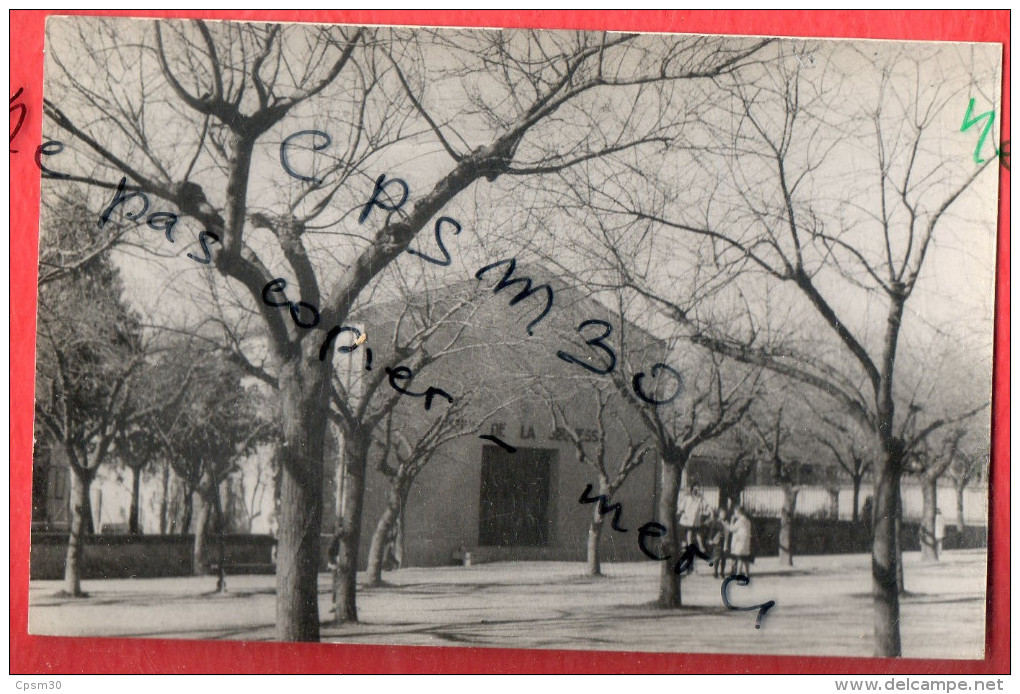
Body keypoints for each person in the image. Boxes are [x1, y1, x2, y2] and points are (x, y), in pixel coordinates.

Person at [677, 483, 710, 551]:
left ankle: (701, 546)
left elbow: (705, 504)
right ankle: (690, 546)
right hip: (688, 517)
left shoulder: (700, 497)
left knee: (698, 532)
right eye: (695, 489)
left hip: (696, 517)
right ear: (692, 489)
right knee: (690, 531)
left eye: (698, 489)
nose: (696, 490)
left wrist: (709, 510)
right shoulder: (687, 497)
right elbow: (681, 506)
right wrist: (680, 511)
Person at [727, 505, 754, 577]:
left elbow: (731, 529)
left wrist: (731, 521)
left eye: (735, 512)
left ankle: (738, 574)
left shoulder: (740, 521)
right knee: (745, 558)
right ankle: (747, 573)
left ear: (738, 512)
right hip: (746, 541)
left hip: (740, 541)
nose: (734, 514)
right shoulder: (748, 520)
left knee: (740, 558)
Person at [705, 508, 730, 578]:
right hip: (717, 541)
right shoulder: (716, 522)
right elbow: (711, 531)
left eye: (724, 514)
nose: (723, 515)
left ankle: (722, 572)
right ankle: (715, 572)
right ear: (719, 514)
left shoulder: (727, 522)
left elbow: (728, 532)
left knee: (724, 557)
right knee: (717, 557)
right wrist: (710, 539)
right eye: (722, 513)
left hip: (725, 541)